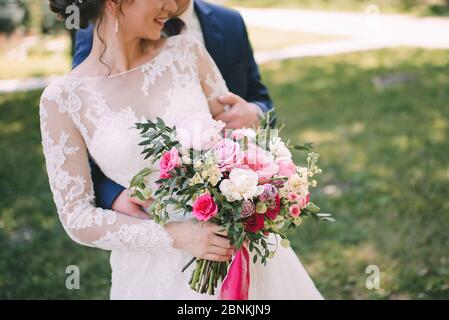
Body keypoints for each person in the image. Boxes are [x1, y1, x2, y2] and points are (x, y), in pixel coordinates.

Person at [41, 0, 323, 299]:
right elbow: (77, 219)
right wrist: (174, 236)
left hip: (236, 248)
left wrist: (258, 170)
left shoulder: (187, 53)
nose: (172, 5)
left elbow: (236, 140)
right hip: (150, 272)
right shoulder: (62, 100)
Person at [73, 0, 276, 218]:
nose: (168, 6)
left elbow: (260, 97)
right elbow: (86, 115)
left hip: (229, 205)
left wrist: (255, 113)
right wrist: (113, 195)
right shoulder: (101, 29)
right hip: (146, 215)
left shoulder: (229, 22)